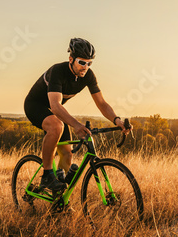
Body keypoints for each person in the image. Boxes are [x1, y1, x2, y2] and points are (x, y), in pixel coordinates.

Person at [24, 38, 131, 193]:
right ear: (71, 59)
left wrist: (117, 120)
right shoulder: (58, 71)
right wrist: (76, 124)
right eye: (82, 62)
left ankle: (58, 196)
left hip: (56, 112)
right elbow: (55, 105)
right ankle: (47, 175)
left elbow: (102, 103)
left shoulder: (88, 76)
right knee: (56, 125)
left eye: (89, 63)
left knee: (67, 155)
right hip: (35, 106)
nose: (85, 67)